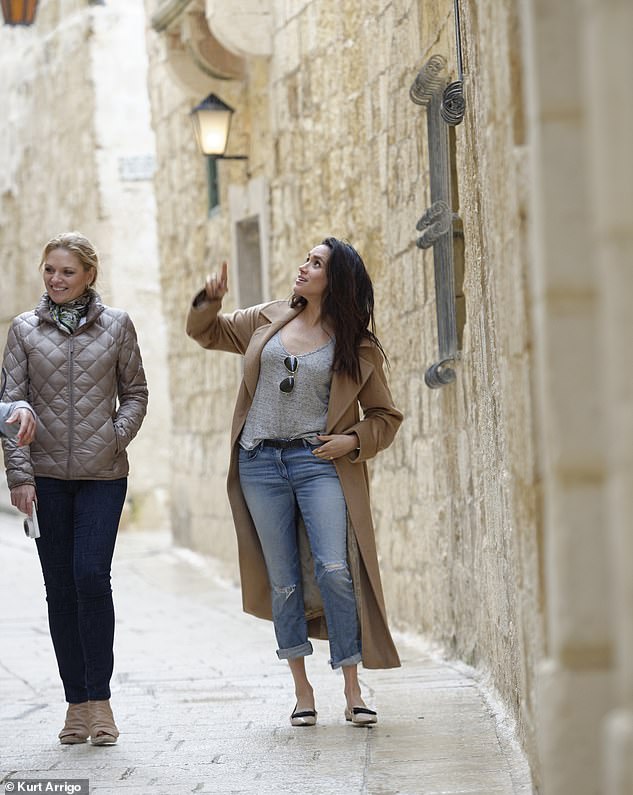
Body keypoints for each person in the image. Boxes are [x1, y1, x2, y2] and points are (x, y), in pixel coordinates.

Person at [186, 237, 403, 727]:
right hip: (259, 464)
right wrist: (209, 299)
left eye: (316, 263)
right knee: (284, 580)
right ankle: (302, 690)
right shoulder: (268, 318)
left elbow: (386, 416)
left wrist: (352, 442)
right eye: (306, 259)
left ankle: (352, 688)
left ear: (336, 279)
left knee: (334, 569)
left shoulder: (356, 345)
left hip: (317, 463)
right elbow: (206, 332)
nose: (303, 267)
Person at [2, 232, 148, 746]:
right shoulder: (22, 330)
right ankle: (76, 706)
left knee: (90, 575)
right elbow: (11, 405)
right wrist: (19, 476)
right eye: (49, 270)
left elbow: (135, 393)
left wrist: (114, 436)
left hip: (103, 475)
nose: (56, 280)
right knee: (60, 590)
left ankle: (101, 700)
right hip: (44, 478)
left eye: (67, 271)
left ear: (89, 274)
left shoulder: (118, 326)